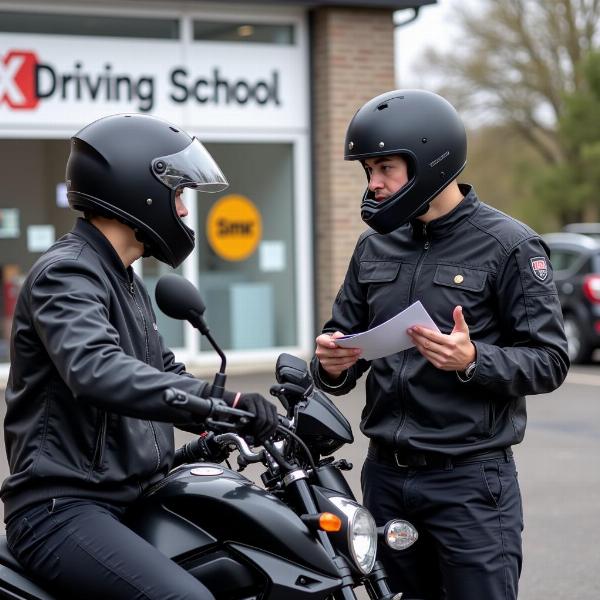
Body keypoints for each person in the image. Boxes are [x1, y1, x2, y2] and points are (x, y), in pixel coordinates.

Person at [1, 113, 278, 600]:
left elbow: (160, 374)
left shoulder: (122, 279)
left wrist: (219, 426)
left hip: (122, 497)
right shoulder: (66, 275)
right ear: (136, 190)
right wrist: (222, 404)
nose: (185, 212)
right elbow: (99, 372)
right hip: (60, 509)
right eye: (178, 194)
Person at [311, 89, 569, 600]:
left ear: (431, 161)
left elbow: (551, 360)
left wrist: (473, 360)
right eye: (368, 170)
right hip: (385, 478)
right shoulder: (373, 246)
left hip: (471, 484)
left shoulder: (511, 246)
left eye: (385, 167)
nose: (374, 183)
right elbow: (342, 348)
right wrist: (333, 364)